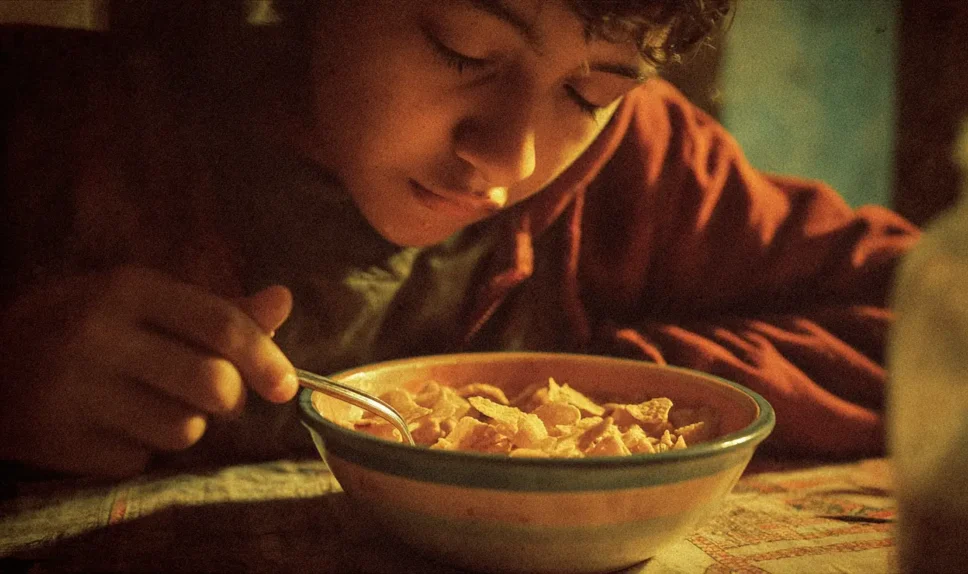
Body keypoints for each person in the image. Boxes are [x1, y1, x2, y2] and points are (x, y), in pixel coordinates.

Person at [0, 0, 920, 478]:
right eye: (463, 48)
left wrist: (615, 392)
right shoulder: (61, 128)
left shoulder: (640, 163)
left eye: (588, 93)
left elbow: (942, 310)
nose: (510, 157)